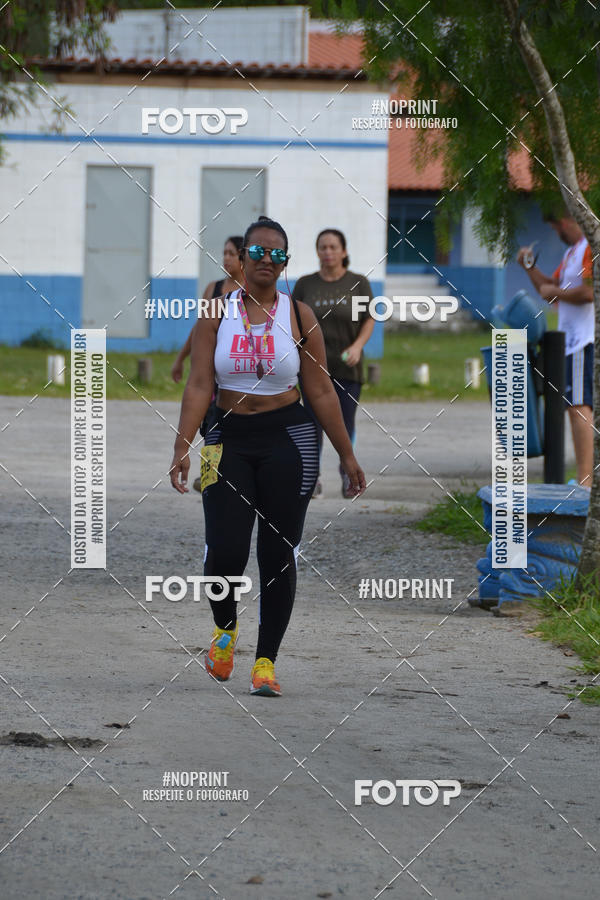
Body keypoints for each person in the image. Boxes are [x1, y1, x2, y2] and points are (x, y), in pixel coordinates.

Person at [170, 216, 366, 697]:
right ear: (243, 255)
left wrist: (347, 455)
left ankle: (265, 663)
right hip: (224, 436)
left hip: (289, 437)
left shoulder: (300, 317)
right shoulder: (216, 313)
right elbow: (199, 385)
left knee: (278, 553)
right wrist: (182, 446)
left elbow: (320, 391)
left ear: (285, 263)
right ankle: (225, 631)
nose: (266, 261)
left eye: (277, 255)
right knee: (225, 551)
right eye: (258, 252)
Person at [292, 228, 375, 498]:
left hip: (347, 368)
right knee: (312, 422)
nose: (327, 252)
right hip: (313, 368)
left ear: (344, 251)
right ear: (317, 252)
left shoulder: (358, 283)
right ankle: (311, 477)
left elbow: (369, 318)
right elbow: (293, 322)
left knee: (345, 421)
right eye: (322, 247)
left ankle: (348, 475)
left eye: (332, 247)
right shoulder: (306, 284)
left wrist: (358, 346)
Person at [517, 214, 594, 486]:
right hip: (570, 340)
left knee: (579, 406)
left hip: (583, 338)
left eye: (555, 226)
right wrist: (529, 268)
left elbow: (589, 293)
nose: (555, 232)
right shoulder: (572, 252)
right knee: (573, 405)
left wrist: (558, 293)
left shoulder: (590, 246)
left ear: (567, 221)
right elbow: (548, 289)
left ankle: (585, 480)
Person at [171, 235, 244, 492]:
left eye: (231, 253)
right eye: (223, 253)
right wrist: (180, 359)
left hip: (237, 372)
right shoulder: (213, 290)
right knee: (210, 425)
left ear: (243, 257)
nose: (225, 258)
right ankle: (208, 475)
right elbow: (198, 329)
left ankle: (236, 473)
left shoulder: (251, 292)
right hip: (210, 376)